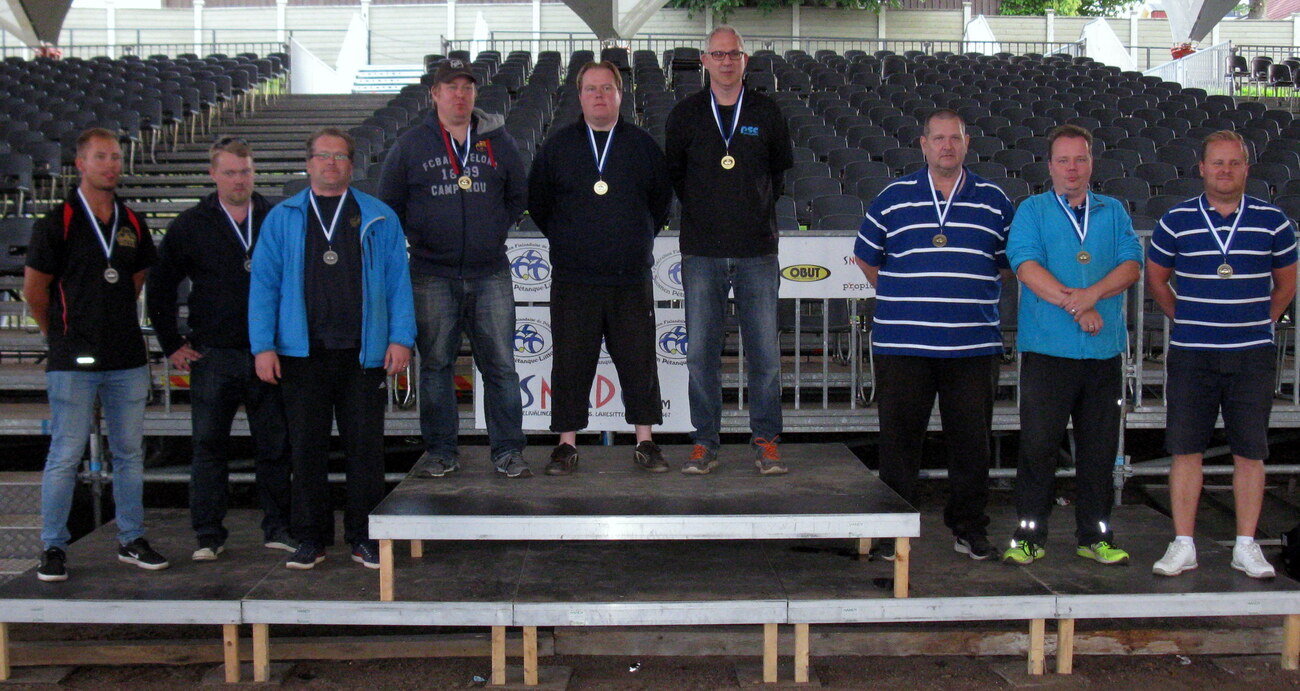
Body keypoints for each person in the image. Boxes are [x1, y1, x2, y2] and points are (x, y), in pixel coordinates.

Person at [249, 128, 416, 570]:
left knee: (366, 450)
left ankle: (364, 537)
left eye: (340, 156)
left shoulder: (379, 216)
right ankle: (311, 538)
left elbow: (399, 282)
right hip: (301, 354)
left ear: (351, 165)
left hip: (363, 353)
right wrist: (263, 346)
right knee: (306, 450)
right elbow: (263, 286)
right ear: (308, 163)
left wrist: (401, 337)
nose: (331, 163)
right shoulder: (283, 217)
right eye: (323, 155)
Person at [852, 109, 1014, 561]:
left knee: (972, 445)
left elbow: (1008, 264)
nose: (947, 146)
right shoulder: (893, 197)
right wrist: (904, 296)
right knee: (899, 445)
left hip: (972, 346)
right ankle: (893, 533)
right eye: (938, 138)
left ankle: (969, 529)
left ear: (966, 143)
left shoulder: (994, 200)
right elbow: (865, 257)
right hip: (904, 346)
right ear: (923, 144)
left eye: (955, 138)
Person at [1147, 130, 1297, 579]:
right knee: (1186, 450)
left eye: (1234, 162)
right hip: (1192, 354)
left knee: (1250, 452)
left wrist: (1262, 321)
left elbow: (1287, 283)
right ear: (1202, 168)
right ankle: (1183, 543)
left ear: (1247, 168)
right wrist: (1186, 319)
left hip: (1251, 355)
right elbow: (1157, 280)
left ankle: (1246, 545)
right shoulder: (1176, 220)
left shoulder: (1273, 221)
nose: (1225, 170)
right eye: (1218, 162)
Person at [24, 128, 168, 581]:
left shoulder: (132, 222)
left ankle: (131, 539)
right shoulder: (57, 222)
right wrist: (61, 337)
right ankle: (53, 547)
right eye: (101, 157)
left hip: (126, 358)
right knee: (66, 454)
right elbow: (35, 291)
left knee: (129, 454)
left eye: (116, 157)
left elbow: (136, 281)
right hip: (73, 360)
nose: (111, 165)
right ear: (81, 164)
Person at [378, 58, 531, 479]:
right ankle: (441, 452)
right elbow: (390, 203)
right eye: (451, 87)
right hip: (431, 273)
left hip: (490, 272)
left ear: (474, 93)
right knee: (435, 367)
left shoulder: (498, 140)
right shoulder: (411, 145)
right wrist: (422, 236)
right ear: (435, 94)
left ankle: (508, 451)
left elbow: (518, 194)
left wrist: (493, 228)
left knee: (501, 366)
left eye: (467, 87)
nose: (460, 95)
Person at [146, 137, 294, 562]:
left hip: (269, 353)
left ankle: (278, 528)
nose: (238, 180)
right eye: (229, 172)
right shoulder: (191, 223)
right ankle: (208, 534)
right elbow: (160, 284)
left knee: (275, 447)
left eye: (245, 171)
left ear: (254, 171)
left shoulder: (277, 218)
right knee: (209, 448)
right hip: (213, 354)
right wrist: (171, 343)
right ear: (213, 174)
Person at [1002, 125, 1142, 566]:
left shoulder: (1113, 210)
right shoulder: (1032, 210)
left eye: (1080, 159)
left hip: (1103, 353)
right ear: (1050, 166)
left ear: (1091, 163)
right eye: (1063, 160)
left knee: (1099, 450)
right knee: (1038, 447)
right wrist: (1077, 307)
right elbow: (1025, 266)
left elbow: (1132, 264)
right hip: (1047, 351)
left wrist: (1091, 295)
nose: (1072, 168)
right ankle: (1029, 537)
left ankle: (1096, 536)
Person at [527, 61, 673, 475]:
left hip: (630, 278)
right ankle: (566, 445)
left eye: (607, 88)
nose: (599, 95)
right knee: (570, 364)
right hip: (574, 279)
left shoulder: (643, 146)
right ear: (579, 96)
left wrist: (633, 238)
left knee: (639, 362)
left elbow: (660, 202)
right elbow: (539, 203)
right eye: (591, 88)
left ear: (620, 94)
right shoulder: (557, 147)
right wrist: (570, 239)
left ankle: (645, 441)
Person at [665, 25, 793, 475]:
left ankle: (766, 441)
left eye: (733, 54)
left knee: (765, 356)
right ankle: (705, 442)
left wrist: (749, 212)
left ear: (744, 60)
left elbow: (777, 178)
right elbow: (676, 177)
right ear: (704, 61)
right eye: (717, 54)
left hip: (757, 251)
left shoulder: (766, 112)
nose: (725, 61)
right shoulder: (685, 115)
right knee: (701, 355)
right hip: (702, 251)